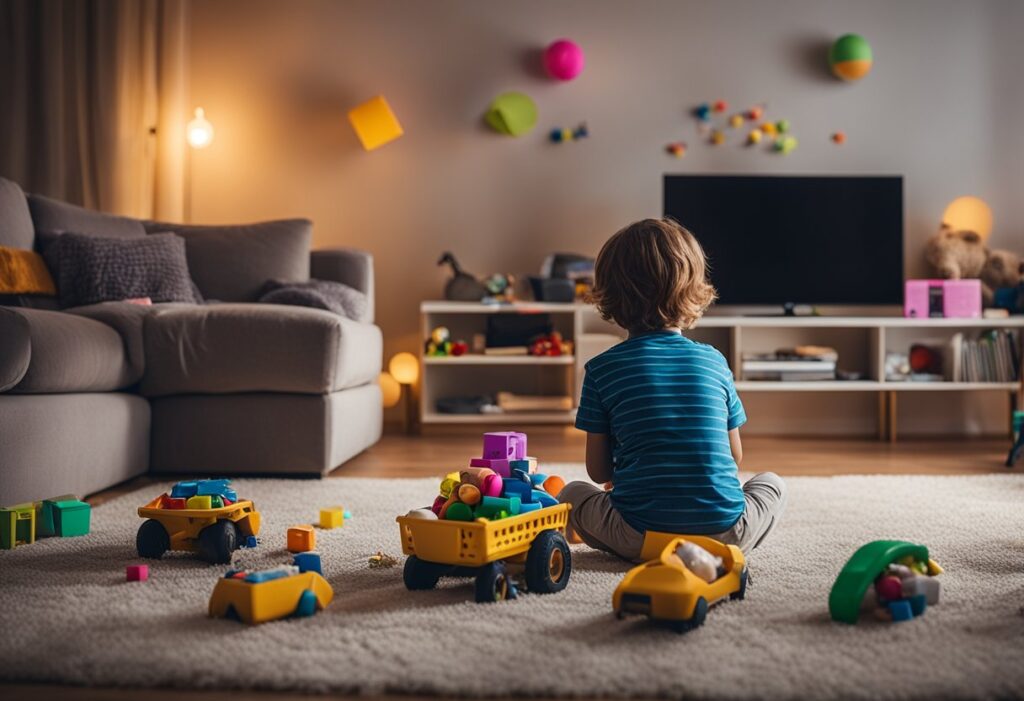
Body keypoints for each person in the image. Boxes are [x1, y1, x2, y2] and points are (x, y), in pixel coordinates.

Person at [559, 218, 786, 562]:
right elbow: (734, 456)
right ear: (692, 288)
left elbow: (599, 473)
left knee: (572, 493)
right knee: (772, 483)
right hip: (726, 536)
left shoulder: (601, 369)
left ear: (610, 294)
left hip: (640, 537)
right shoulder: (715, 361)